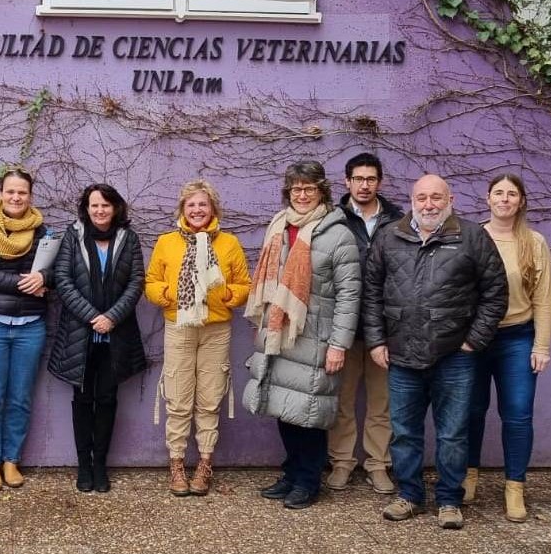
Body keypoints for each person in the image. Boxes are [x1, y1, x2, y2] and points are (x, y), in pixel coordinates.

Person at [362, 174, 507, 530]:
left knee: (453, 433)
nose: (429, 204)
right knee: (404, 432)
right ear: (412, 200)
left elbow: (496, 293)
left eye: (436, 198)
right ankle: (409, 496)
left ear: (450, 199)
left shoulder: (472, 236)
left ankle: (449, 500)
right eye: (422, 197)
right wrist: (377, 341)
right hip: (401, 354)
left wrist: (474, 340)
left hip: (454, 356)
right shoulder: (389, 236)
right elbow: (371, 294)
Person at [243, 161, 360, 511]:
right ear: (288, 193)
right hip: (280, 334)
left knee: (309, 412)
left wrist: (339, 344)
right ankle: (291, 473)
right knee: (283, 406)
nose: (303, 194)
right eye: (296, 189)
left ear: (322, 191)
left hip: (315, 340)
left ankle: (308, 481)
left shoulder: (337, 233)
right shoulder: (279, 226)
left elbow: (350, 295)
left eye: (309, 188)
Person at [145, 179, 251, 496]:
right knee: (177, 398)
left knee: (209, 398)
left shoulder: (229, 243)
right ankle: (176, 464)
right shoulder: (166, 242)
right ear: (182, 209)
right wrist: (167, 293)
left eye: (202, 204)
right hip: (179, 325)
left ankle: (204, 464)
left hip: (216, 328)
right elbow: (150, 282)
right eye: (190, 204)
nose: (196, 210)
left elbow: (245, 285)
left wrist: (227, 293)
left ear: (213, 209)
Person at [464, 174, 551, 522]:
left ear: (521, 201)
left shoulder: (534, 242)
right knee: (470, 411)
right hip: (474, 339)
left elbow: (544, 299)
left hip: (518, 338)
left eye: (511, 194)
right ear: (488, 199)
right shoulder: (472, 238)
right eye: (498, 193)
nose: (504, 199)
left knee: (517, 414)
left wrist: (542, 345)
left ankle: (514, 487)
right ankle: (467, 476)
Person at [48, 183, 147, 493]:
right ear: (86, 209)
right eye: (94, 206)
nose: (100, 211)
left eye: (106, 205)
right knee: (82, 399)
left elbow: (136, 282)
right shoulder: (72, 236)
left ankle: (101, 464)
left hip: (116, 337)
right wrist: (94, 317)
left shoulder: (128, 239)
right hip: (80, 334)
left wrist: (111, 318)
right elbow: (63, 280)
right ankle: (84, 466)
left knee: (107, 399)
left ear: (115, 207)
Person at [327, 153, 404, 494]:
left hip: (385, 330)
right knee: (341, 400)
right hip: (342, 326)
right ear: (347, 182)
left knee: (381, 402)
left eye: (370, 179)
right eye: (358, 178)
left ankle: (378, 464)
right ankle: (342, 462)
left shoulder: (398, 221)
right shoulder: (334, 219)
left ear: (380, 183)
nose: (364, 185)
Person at [0, 168, 51, 491]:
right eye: (10, 192)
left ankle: (11, 460)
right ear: (0, 193)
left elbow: (55, 271)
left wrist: (45, 279)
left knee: (20, 398)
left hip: (31, 326)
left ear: (30, 196)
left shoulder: (42, 230)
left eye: (22, 193)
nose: (16, 197)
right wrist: (28, 283)